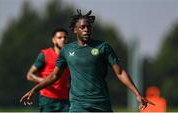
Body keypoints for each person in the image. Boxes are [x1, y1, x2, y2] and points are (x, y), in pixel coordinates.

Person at [20, 10, 154, 112]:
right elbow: (54, 75)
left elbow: (119, 73)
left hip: (102, 104)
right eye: (82, 27)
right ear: (75, 30)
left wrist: (137, 94)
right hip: (78, 106)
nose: (86, 30)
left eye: (88, 27)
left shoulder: (103, 47)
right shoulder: (66, 50)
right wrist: (34, 90)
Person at [24, 28, 70, 112]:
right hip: (47, 99)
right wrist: (45, 81)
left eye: (65, 37)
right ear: (53, 40)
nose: (63, 39)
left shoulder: (70, 55)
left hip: (65, 100)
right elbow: (29, 75)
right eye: (59, 37)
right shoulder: (45, 54)